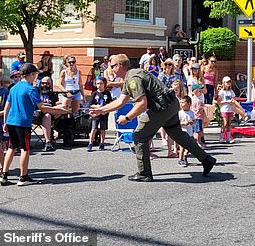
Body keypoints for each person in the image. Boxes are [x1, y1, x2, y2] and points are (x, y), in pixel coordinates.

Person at [90, 54, 217, 182]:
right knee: (178, 135)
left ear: (119, 66)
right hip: (171, 105)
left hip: (162, 108)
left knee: (139, 135)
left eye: (112, 66)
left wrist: (127, 118)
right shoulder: (131, 76)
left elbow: (142, 103)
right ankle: (206, 160)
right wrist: (101, 110)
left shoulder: (132, 78)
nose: (110, 69)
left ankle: (144, 173)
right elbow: (121, 101)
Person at [0, 64, 68, 186]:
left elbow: (7, 106)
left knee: (11, 147)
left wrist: (5, 122)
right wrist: (61, 110)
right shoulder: (31, 89)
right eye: (35, 75)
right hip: (23, 122)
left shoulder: (14, 88)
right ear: (31, 75)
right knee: (25, 149)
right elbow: (42, 107)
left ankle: (4, 175)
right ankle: (23, 176)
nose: (36, 77)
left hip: (11, 121)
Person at [34, 76, 66, 151]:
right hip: (38, 114)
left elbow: (55, 104)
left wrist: (61, 104)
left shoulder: (52, 94)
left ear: (50, 84)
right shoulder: (36, 92)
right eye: (43, 83)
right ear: (40, 83)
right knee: (47, 115)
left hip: (51, 112)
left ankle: (58, 131)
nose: (45, 85)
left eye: (47, 83)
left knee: (63, 108)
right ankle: (48, 142)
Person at [87, 78, 112, 151]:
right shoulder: (95, 93)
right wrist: (97, 106)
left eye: (101, 83)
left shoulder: (107, 93)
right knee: (94, 129)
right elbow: (91, 104)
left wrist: (106, 109)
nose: (99, 85)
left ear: (104, 84)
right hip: (96, 113)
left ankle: (102, 143)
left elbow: (110, 103)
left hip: (104, 113)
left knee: (103, 129)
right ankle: (90, 143)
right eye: (97, 83)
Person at [217, 76, 236, 143]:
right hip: (224, 109)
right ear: (224, 83)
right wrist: (227, 102)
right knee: (225, 123)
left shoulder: (231, 91)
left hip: (230, 109)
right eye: (227, 82)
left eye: (229, 82)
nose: (228, 83)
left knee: (229, 124)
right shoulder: (222, 92)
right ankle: (221, 137)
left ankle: (228, 138)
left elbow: (234, 99)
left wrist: (232, 102)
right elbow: (219, 102)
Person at [177, 96, 195, 167]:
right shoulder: (180, 113)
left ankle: (185, 157)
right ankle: (180, 159)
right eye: (180, 102)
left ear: (189, 103)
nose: (181, 104)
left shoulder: (191, 112)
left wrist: (192, 122)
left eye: (183, 102)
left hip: (189, 132)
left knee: (189, 147)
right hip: (182, 132)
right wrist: (184, 124)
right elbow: (177, 123)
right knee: (182, 147)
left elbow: (194, 120)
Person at [190, 84, 206, 148]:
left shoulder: (192, 99)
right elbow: (199, 110)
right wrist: (202, 108)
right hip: (197, 117)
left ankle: (199, 142)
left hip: (195, 117)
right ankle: (197, 142)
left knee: (198, 130)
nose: (200, 92)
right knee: (197, 131)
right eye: (199, 91)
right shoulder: (198, 101)